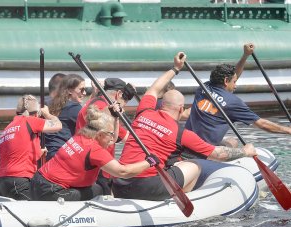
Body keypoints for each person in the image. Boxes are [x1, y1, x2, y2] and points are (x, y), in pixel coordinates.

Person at [112, 52, 257, 201]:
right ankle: (180, 197)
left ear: (162, 104)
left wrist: (175, 68)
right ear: (181, 109)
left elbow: (154, 88)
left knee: (176, 161)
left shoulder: (143, 112)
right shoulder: (182, 134)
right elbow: (218, 154)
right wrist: (245, 152)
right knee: (194, 166)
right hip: (147, 188)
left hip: (118, 185)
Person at [30, 104, 158, 201]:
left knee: (96, 186)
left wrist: (115, 119)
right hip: (52, 191)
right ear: (100, 135)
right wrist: (149, 162)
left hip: (37, 182)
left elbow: (112, 140)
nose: (113, 137)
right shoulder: (94, 150)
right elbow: (122, 172)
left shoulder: (81, 135)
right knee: (99, 190)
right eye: (110, 134)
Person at [185, 43, 291, 147]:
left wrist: (245, 55)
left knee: (232, 142)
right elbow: (262, 124)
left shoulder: (203, 87)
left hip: (187, 142)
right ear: (226, 81)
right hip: (205, 149)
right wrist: (288, 130)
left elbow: (233, 75)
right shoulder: (233, 102)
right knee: (235, 143)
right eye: (234, 82)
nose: (235, 86)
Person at [75, 78, 137, 194]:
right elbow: (127, 138)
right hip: (98, 167)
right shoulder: (105, 109)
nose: (122, 108)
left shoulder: (91, 102)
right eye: (124, 101)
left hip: (82, 161)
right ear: (118, 94)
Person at [0, 95, 62, 200]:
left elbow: (18, 153)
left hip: (0, 182)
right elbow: (58, 126)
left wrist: (39, 152)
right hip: (19, 181)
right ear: (36, 114)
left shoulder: (8, 127)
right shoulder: (30, 121)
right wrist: (47, 114)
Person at [45, 74, 86, 160]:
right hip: (63, 154)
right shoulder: (75, 108)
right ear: (70, 90)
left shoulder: (47, 103)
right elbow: (93, 126)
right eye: (81, 90)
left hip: (46, 152)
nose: (84, 93)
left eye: (85, 90)